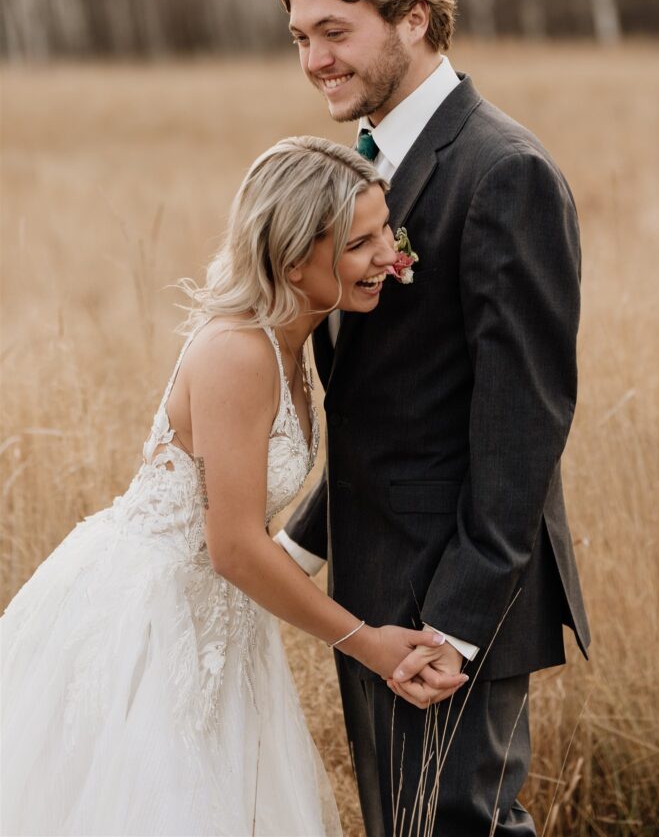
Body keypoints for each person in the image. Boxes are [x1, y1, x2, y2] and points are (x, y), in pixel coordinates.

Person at [0, 136, 463, 837]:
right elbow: (234, 549)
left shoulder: (297, 335)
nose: (388, 258)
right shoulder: (239, 353)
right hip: (152, 615)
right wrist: (365, 642)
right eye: (359, 243)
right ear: (292, 257)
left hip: (220, 619)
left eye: (385, 233)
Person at [274, 0, 591, 835]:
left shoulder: (502, 171)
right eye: (300, 37)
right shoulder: (362, 166)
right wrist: (300, 542)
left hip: (451, 595)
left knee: (459, 826)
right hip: (373, 582)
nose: (315, 60)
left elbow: (521, 420)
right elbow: (397, 405)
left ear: (413, 17)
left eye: (336, 31)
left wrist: (454, 624)